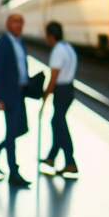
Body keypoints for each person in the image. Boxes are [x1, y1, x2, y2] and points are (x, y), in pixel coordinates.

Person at [0, 13, 32, 187]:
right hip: (9, 95)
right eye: (15, 22)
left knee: (23, 128)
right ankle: (14, 172)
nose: (18, 25)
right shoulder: (2, 44)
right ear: (8, 24)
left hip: (20, 93)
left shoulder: (19, 43)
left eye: (20, 22)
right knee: (12, 134)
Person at [41, 21, 78, 176]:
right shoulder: (68, 47)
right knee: (57, 121)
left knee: (59, 124)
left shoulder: (57, 50)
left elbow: (53, 77)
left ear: (50, 36)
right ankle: (51, 157)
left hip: (61, 91)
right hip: (69, 89)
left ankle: (70, 162)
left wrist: (46, 95)